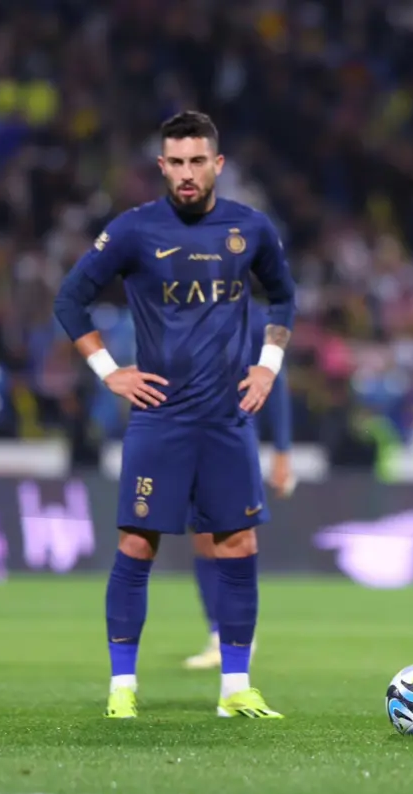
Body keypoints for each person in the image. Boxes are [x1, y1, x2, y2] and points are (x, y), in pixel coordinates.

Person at [53, 110, 296, 720]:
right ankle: (122, 688)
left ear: (218, 164)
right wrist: (110, 371)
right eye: (177, 163)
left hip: (227, 421)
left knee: (238, 544)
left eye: (198, 162)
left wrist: (268, 365)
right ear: (162, 166)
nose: (187, 174)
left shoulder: (250, 228)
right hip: (160, 419)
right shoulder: (134, 230)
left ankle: (235, 688)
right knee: (137, 545)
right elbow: (71, 299)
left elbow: (284, 296)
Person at [185, 300, 295, 670]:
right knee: (202, 537)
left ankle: (238, 634)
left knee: (236, 536)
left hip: (233, 436)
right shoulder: (180, 310)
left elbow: (275, 382)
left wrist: (282, 451)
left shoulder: (253, 318)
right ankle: (218, 634)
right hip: (188, 435)